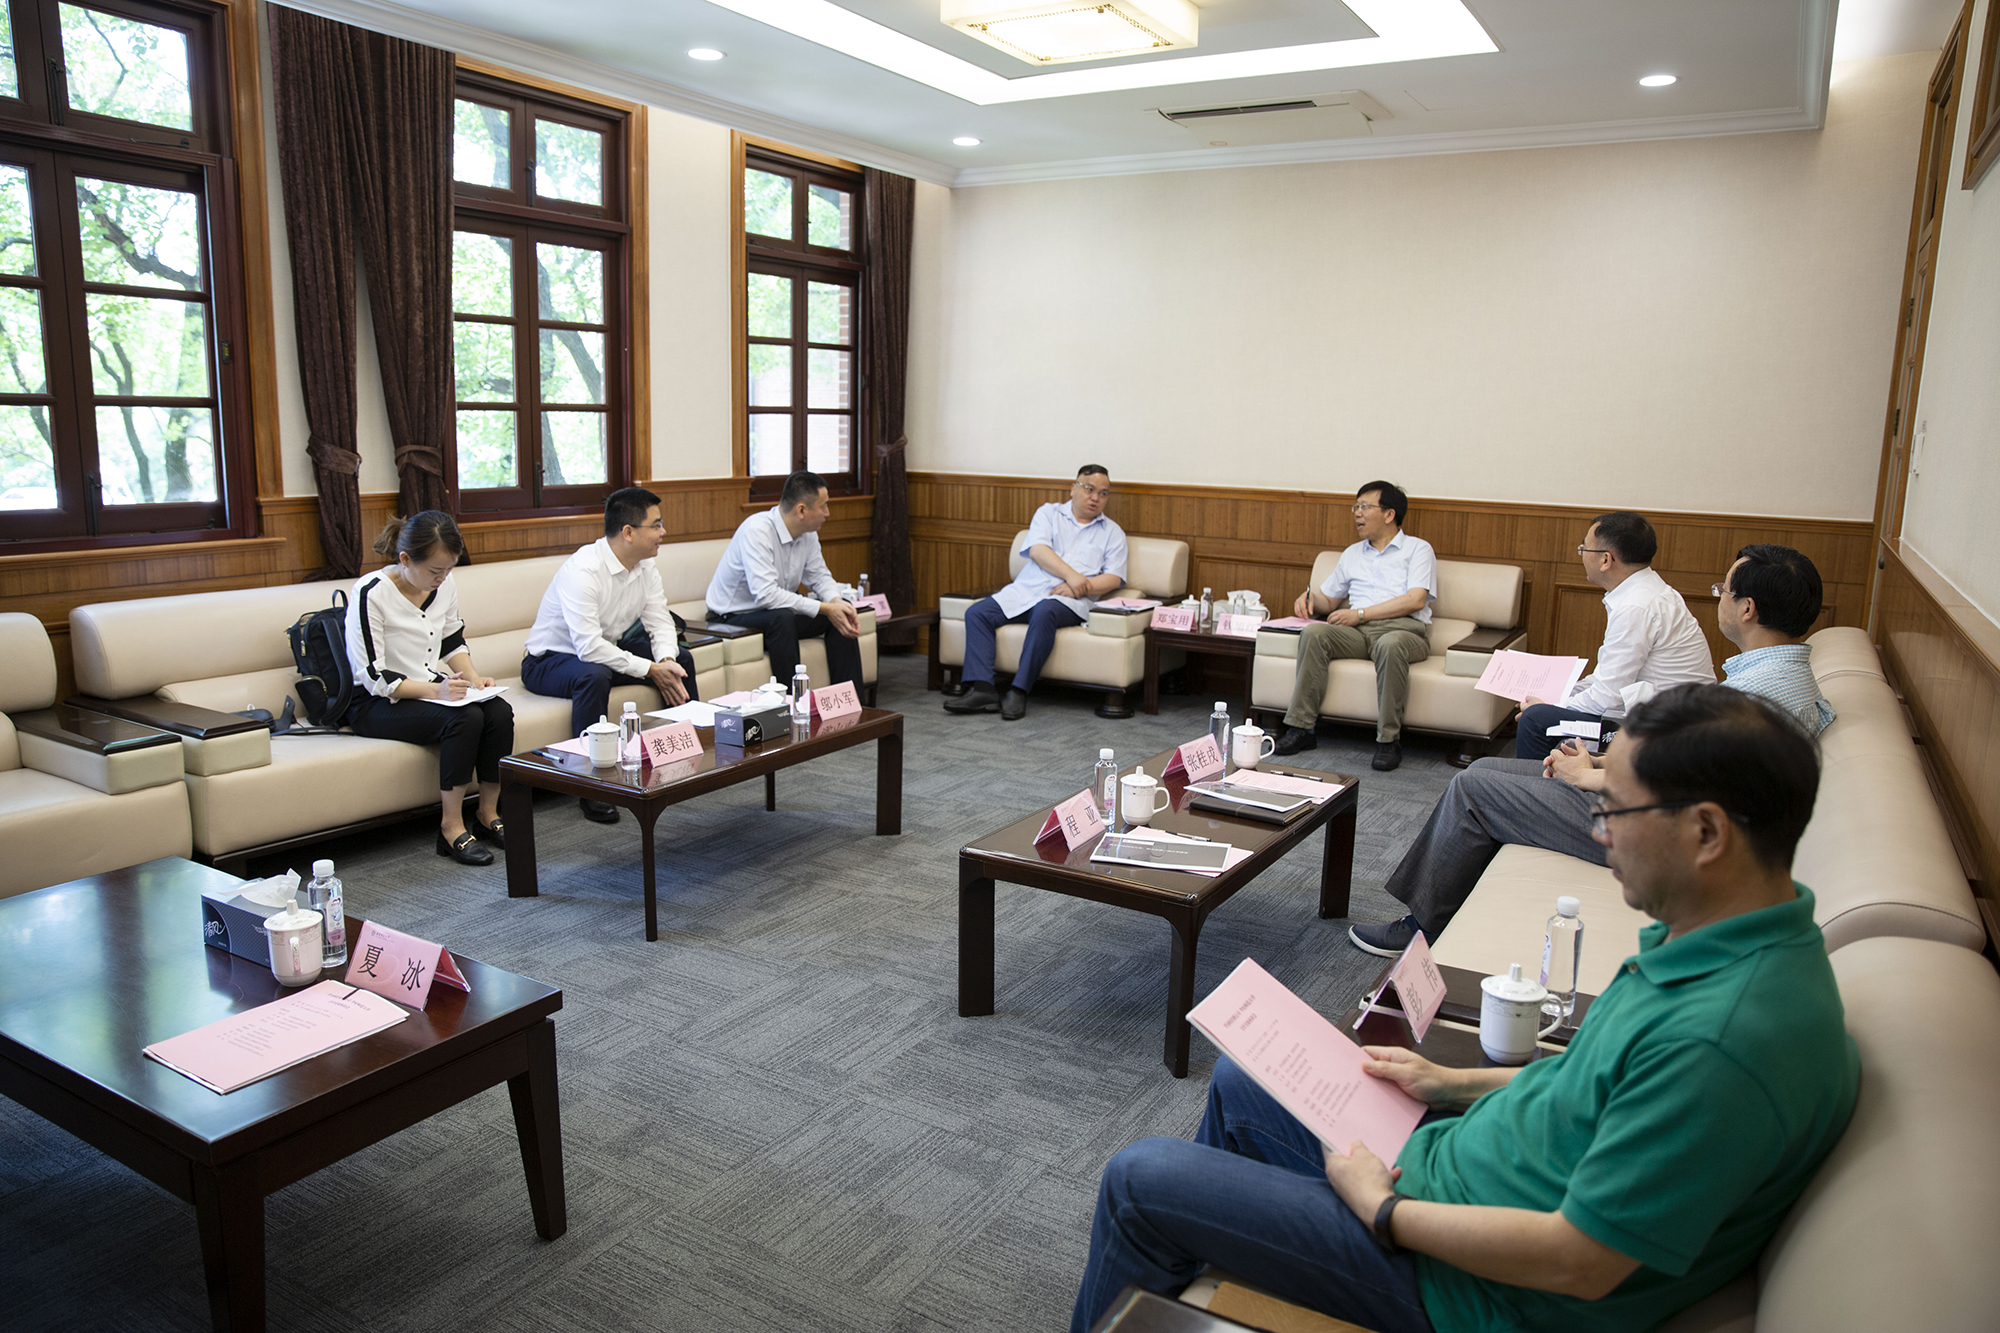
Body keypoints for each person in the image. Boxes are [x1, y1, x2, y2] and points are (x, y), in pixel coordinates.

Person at [1071, 684, 1858, 1333]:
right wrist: (1451, 1084)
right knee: (1245, 1082)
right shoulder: (1714, 942)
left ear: (1707, 831)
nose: (1599, 833)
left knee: (1141, 1179)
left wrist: (1385, 1210)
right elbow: (1593, 1084)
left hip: (1468, 1286)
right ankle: (1209, 1285)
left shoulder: (1721, 1041)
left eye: (1614, 811)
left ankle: (1218, 1255)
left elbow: (1580, 1260)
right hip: (1455, 1174)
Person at [1346, 543, 1837, 956]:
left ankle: (1423, 930)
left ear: (1747, 609)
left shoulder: (1757, 698)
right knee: (1486, 770)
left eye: (1723, 591)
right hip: (1659, 803)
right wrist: (1602, 761)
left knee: (1475, 787)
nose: (1718, 599)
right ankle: (1442, 907)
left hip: (1657, 831)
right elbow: (1701, 765)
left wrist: (1588, 776)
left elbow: (1692, 788)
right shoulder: (1780, 676)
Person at [345, 512, 515, 867]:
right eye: (435, 571)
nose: (442, 578)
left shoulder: (443, 585)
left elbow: (451, 639)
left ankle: (487, 813)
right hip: (376, 702)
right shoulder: (370, 593)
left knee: (498, 711)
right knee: (465, 719)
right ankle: (450, 827)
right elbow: (374, 676)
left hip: (428, 686)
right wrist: (437, 692)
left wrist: (473, 678)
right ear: (405, 559)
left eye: (449, 569)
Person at [523, 487, 697, 825]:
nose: (663, 532)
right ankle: (593, 788)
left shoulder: (646, 566)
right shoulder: (583, 570)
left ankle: (686, 759)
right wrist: (649, 669)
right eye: (656, 525)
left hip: (604, 653)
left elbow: (660, 621)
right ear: (628, 532)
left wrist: (664, 662)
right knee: (593, 674)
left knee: (681, 662)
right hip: (548, 662)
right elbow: (589, 648)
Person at [1515, 511, 1713, 761]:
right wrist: (1559, 696)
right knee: (1544, 711)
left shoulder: (1635, 606)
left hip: (1670, 731)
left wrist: (1549, 706)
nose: (1582, 555)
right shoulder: (1647, 591)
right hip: (1671, 716)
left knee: (1536, 719)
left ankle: (1540, 785)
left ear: (1605, 559)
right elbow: (1606, 680)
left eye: (1584, 548)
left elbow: (1607, 697)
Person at [1271, 482, 1435, 772]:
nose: (1357, 513)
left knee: (1389, 644)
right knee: (1315, 632)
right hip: (1358, 634)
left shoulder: (1418, 549)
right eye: (1355, 507)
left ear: (1389, 514)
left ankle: (1389, 741)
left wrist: (1359, 614)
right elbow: (1330, 600)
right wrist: (1310, 599)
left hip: (1403, 631)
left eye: (1365, 507)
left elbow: (1415, 600)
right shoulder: (1352, 553)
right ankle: (1301, 728)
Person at [944, 465, 1127, 721]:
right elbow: (1038, 551)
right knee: (977, 612)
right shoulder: (1048, 513)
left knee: (1044, 610)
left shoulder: (1112, 533)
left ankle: (1019, 690)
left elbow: (1114, 577)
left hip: (1069, 602)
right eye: (1089, 489)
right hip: (1026, 591)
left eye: (1104, 493)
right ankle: (983, 690)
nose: (1095, 498)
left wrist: (1079, 587)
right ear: (1073, 488)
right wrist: (1072, 576)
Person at [705, 469, 863, 696]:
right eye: (824, 506)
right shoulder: (757, 531)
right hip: (731, 617)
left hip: (773, 614)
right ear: (802, 510)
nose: (827, 513)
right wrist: (825, 608)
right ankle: (793, 705)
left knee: (839, 615)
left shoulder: (808, 533)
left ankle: (851, 701)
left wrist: (836, 602)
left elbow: (819, 576)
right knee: (783, 618)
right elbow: (766, 595)